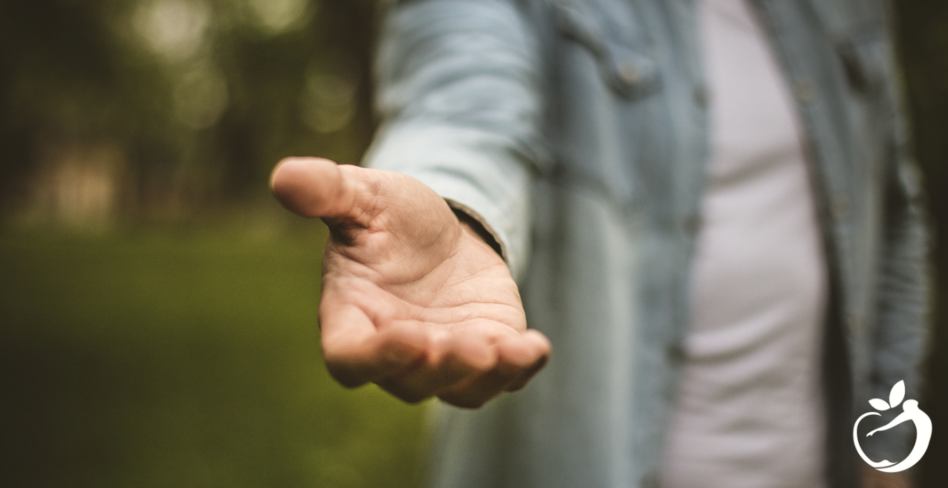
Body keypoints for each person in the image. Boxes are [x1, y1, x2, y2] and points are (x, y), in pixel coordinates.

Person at [270, 0, 929, 487]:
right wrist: (451, 203)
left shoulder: (849, 12)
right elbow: (463, 101)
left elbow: (894, 218)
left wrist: (888, 448)